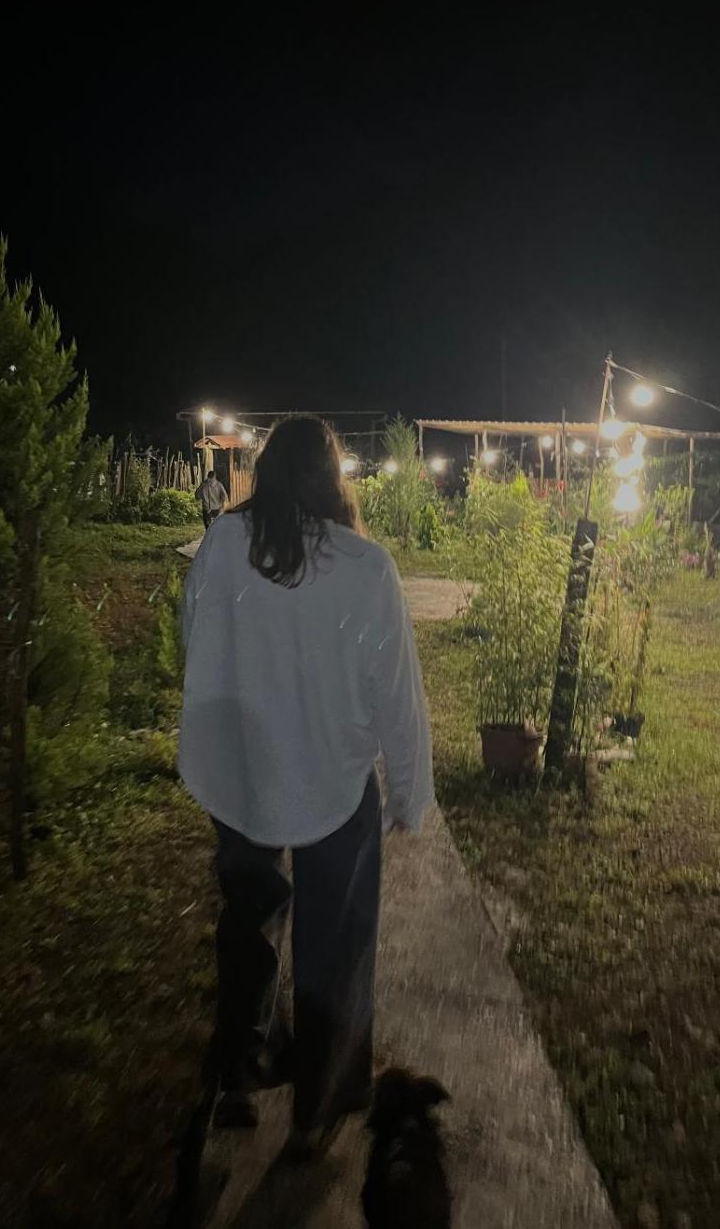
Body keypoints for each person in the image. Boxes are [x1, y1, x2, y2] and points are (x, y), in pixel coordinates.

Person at [177, 416, 433, 1158]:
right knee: (337, 942)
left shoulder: (223, 544)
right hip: (333, 779)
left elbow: (195, 639)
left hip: (243, 771)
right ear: (333, 479)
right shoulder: (364, 566)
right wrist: (409, 792)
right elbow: (397, 693)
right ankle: (317, 1110)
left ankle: (239, 1071)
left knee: (249, 919)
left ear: (264, 473)